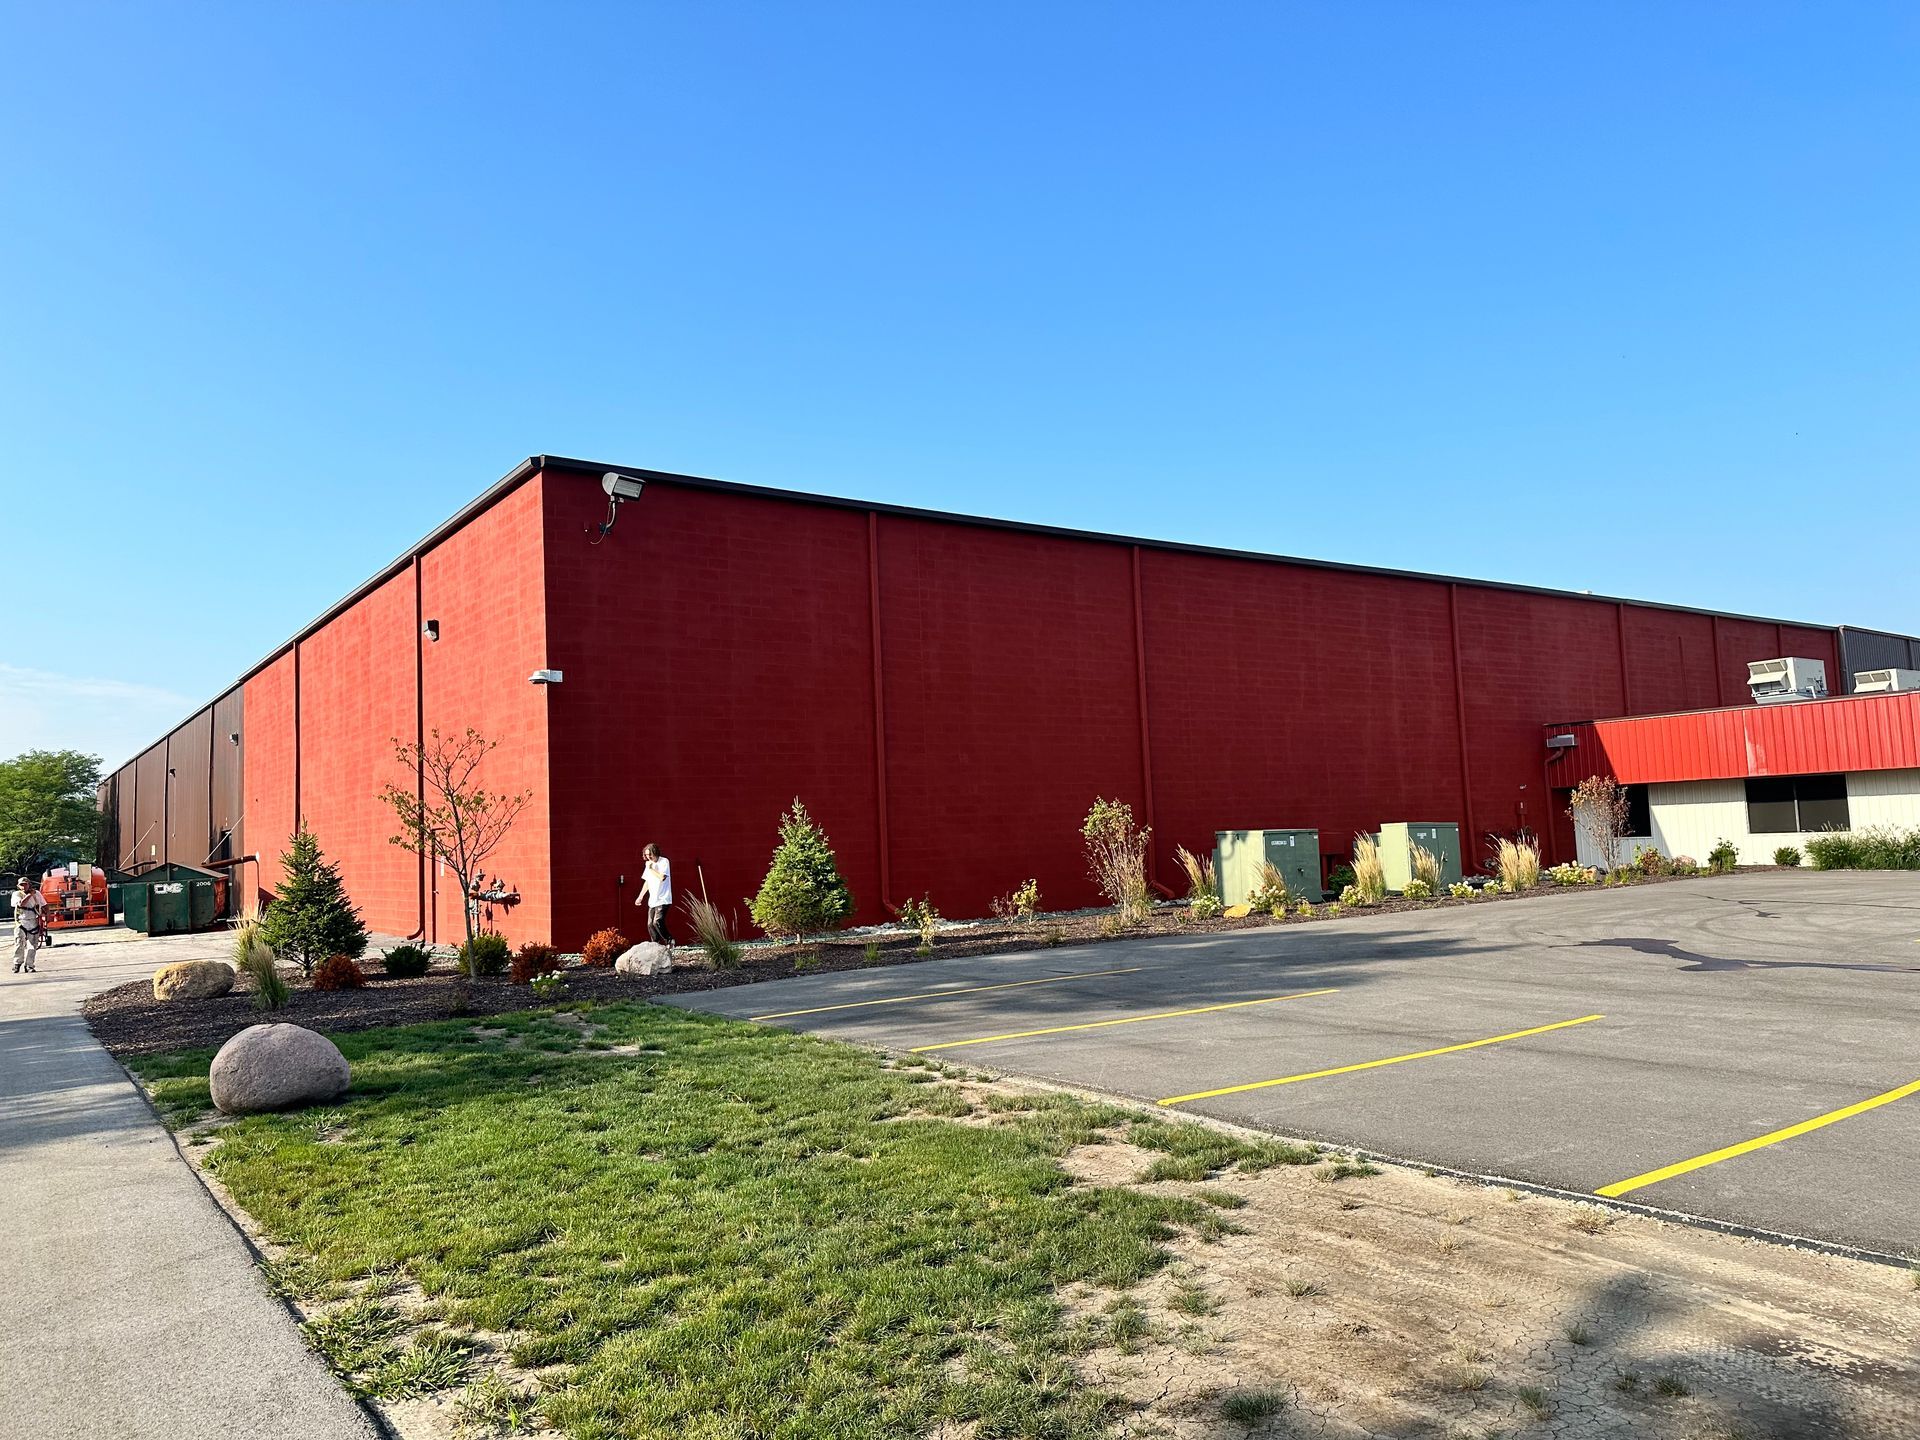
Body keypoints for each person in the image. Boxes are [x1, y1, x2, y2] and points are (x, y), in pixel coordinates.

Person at [635, 843, 673, 948]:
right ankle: (655, 944)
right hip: (653, 900)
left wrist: (651, 869)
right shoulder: (648, 864)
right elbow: (647, 882)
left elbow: (662, 877)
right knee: (650, 924)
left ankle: (669, 940)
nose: (648, 857)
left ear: (655, 852)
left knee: (657, 921)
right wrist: (640, 896)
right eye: (646, 855)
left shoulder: (664, 862)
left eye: (650, 854)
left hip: (663, 898)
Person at [11, 876, 45, 974]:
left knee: (32, 945)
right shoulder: (16, 894)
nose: (24, 886)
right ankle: (17, 964)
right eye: (22, 885)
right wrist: (30, 894)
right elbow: (21, 904)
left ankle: (29, 965)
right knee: (19, 943)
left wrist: (47, 915)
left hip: (33, 921)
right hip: (21, 922)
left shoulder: (37, 894)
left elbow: (44, 905)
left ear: (29, 885)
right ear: (18, 886)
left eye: (25, 884)